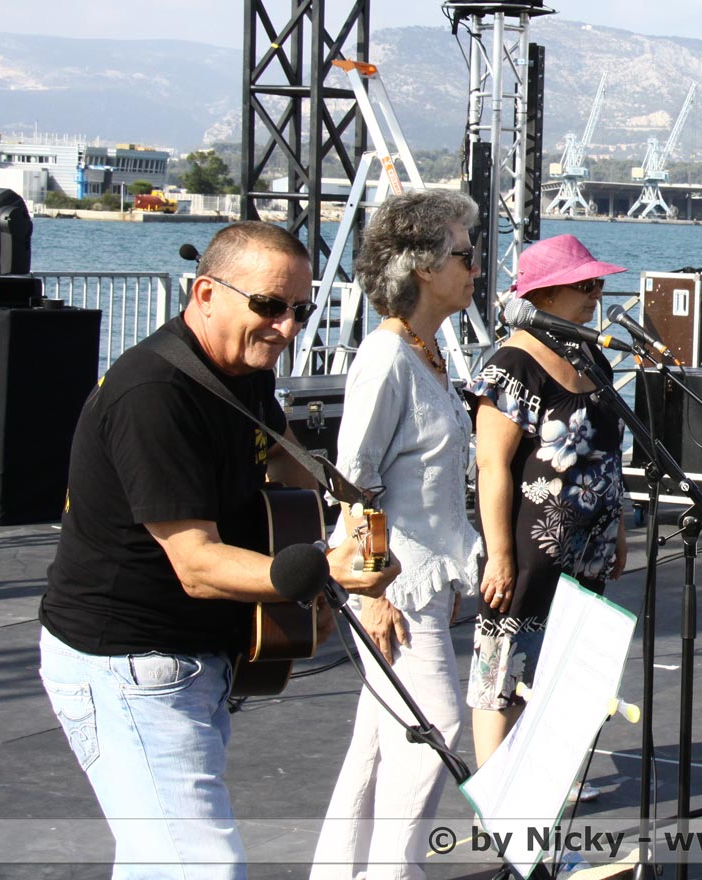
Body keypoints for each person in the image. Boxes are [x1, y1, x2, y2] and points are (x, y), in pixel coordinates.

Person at [37, 221, 397, 878]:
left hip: (193, 661)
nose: (287, 328)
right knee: (204, 866)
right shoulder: (155, 396)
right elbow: (198, 565)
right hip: (127, 665)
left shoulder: (240, 369)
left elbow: (286, 460)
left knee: (159, 862)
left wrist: (352, 525)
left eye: (300, 310)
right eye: (269, 305)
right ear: (206, 293)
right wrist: (321, 572)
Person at [310, 190, 484, 879]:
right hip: (395, 586)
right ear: (422, 268)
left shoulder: (428, 351)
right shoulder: (386, 358)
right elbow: (352, 484)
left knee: (379, 740)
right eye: (464, 255)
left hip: (423, 579)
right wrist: (372, 593)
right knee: (434, 724)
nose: (476, 268)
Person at [467, 234, 629, 779]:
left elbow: (608, 453)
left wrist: (618, 526)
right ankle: (496, 795)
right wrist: (499, 556)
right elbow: (492, 466)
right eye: (586, 285)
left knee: (566, 673)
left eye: (598, 283)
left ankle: (544, 788)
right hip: (531, 549)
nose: (596, 294)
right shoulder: (513, 364)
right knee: (505, 672)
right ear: (546, 294)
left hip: (589, 546)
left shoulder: (590, 355)